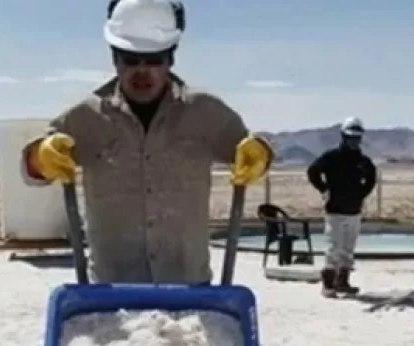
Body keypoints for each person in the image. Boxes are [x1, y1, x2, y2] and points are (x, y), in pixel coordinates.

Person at [20, 0, 273, 285]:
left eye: (154, 60)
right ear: (114, 58)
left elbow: (251, 153)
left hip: (189, 291)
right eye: (130, 60)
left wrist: (260, 155)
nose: (142, 71)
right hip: (111, 295)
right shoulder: (86, 116)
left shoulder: (207, 112)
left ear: (171, 59)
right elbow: (32, 170)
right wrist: (40, 158)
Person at [306, 117, 378, 298]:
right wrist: (324, 189)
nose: (353, 141)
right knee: (333, 248)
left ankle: (342, 282)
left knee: (348, 248)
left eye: (357, 138)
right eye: (350, 137)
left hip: (354, 211)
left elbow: (371, 178)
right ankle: (328, 284)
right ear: (343, 136)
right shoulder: (331, 157)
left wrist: (361, 194)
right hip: (335, 210)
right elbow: (313, 171)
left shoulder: (363, 161)